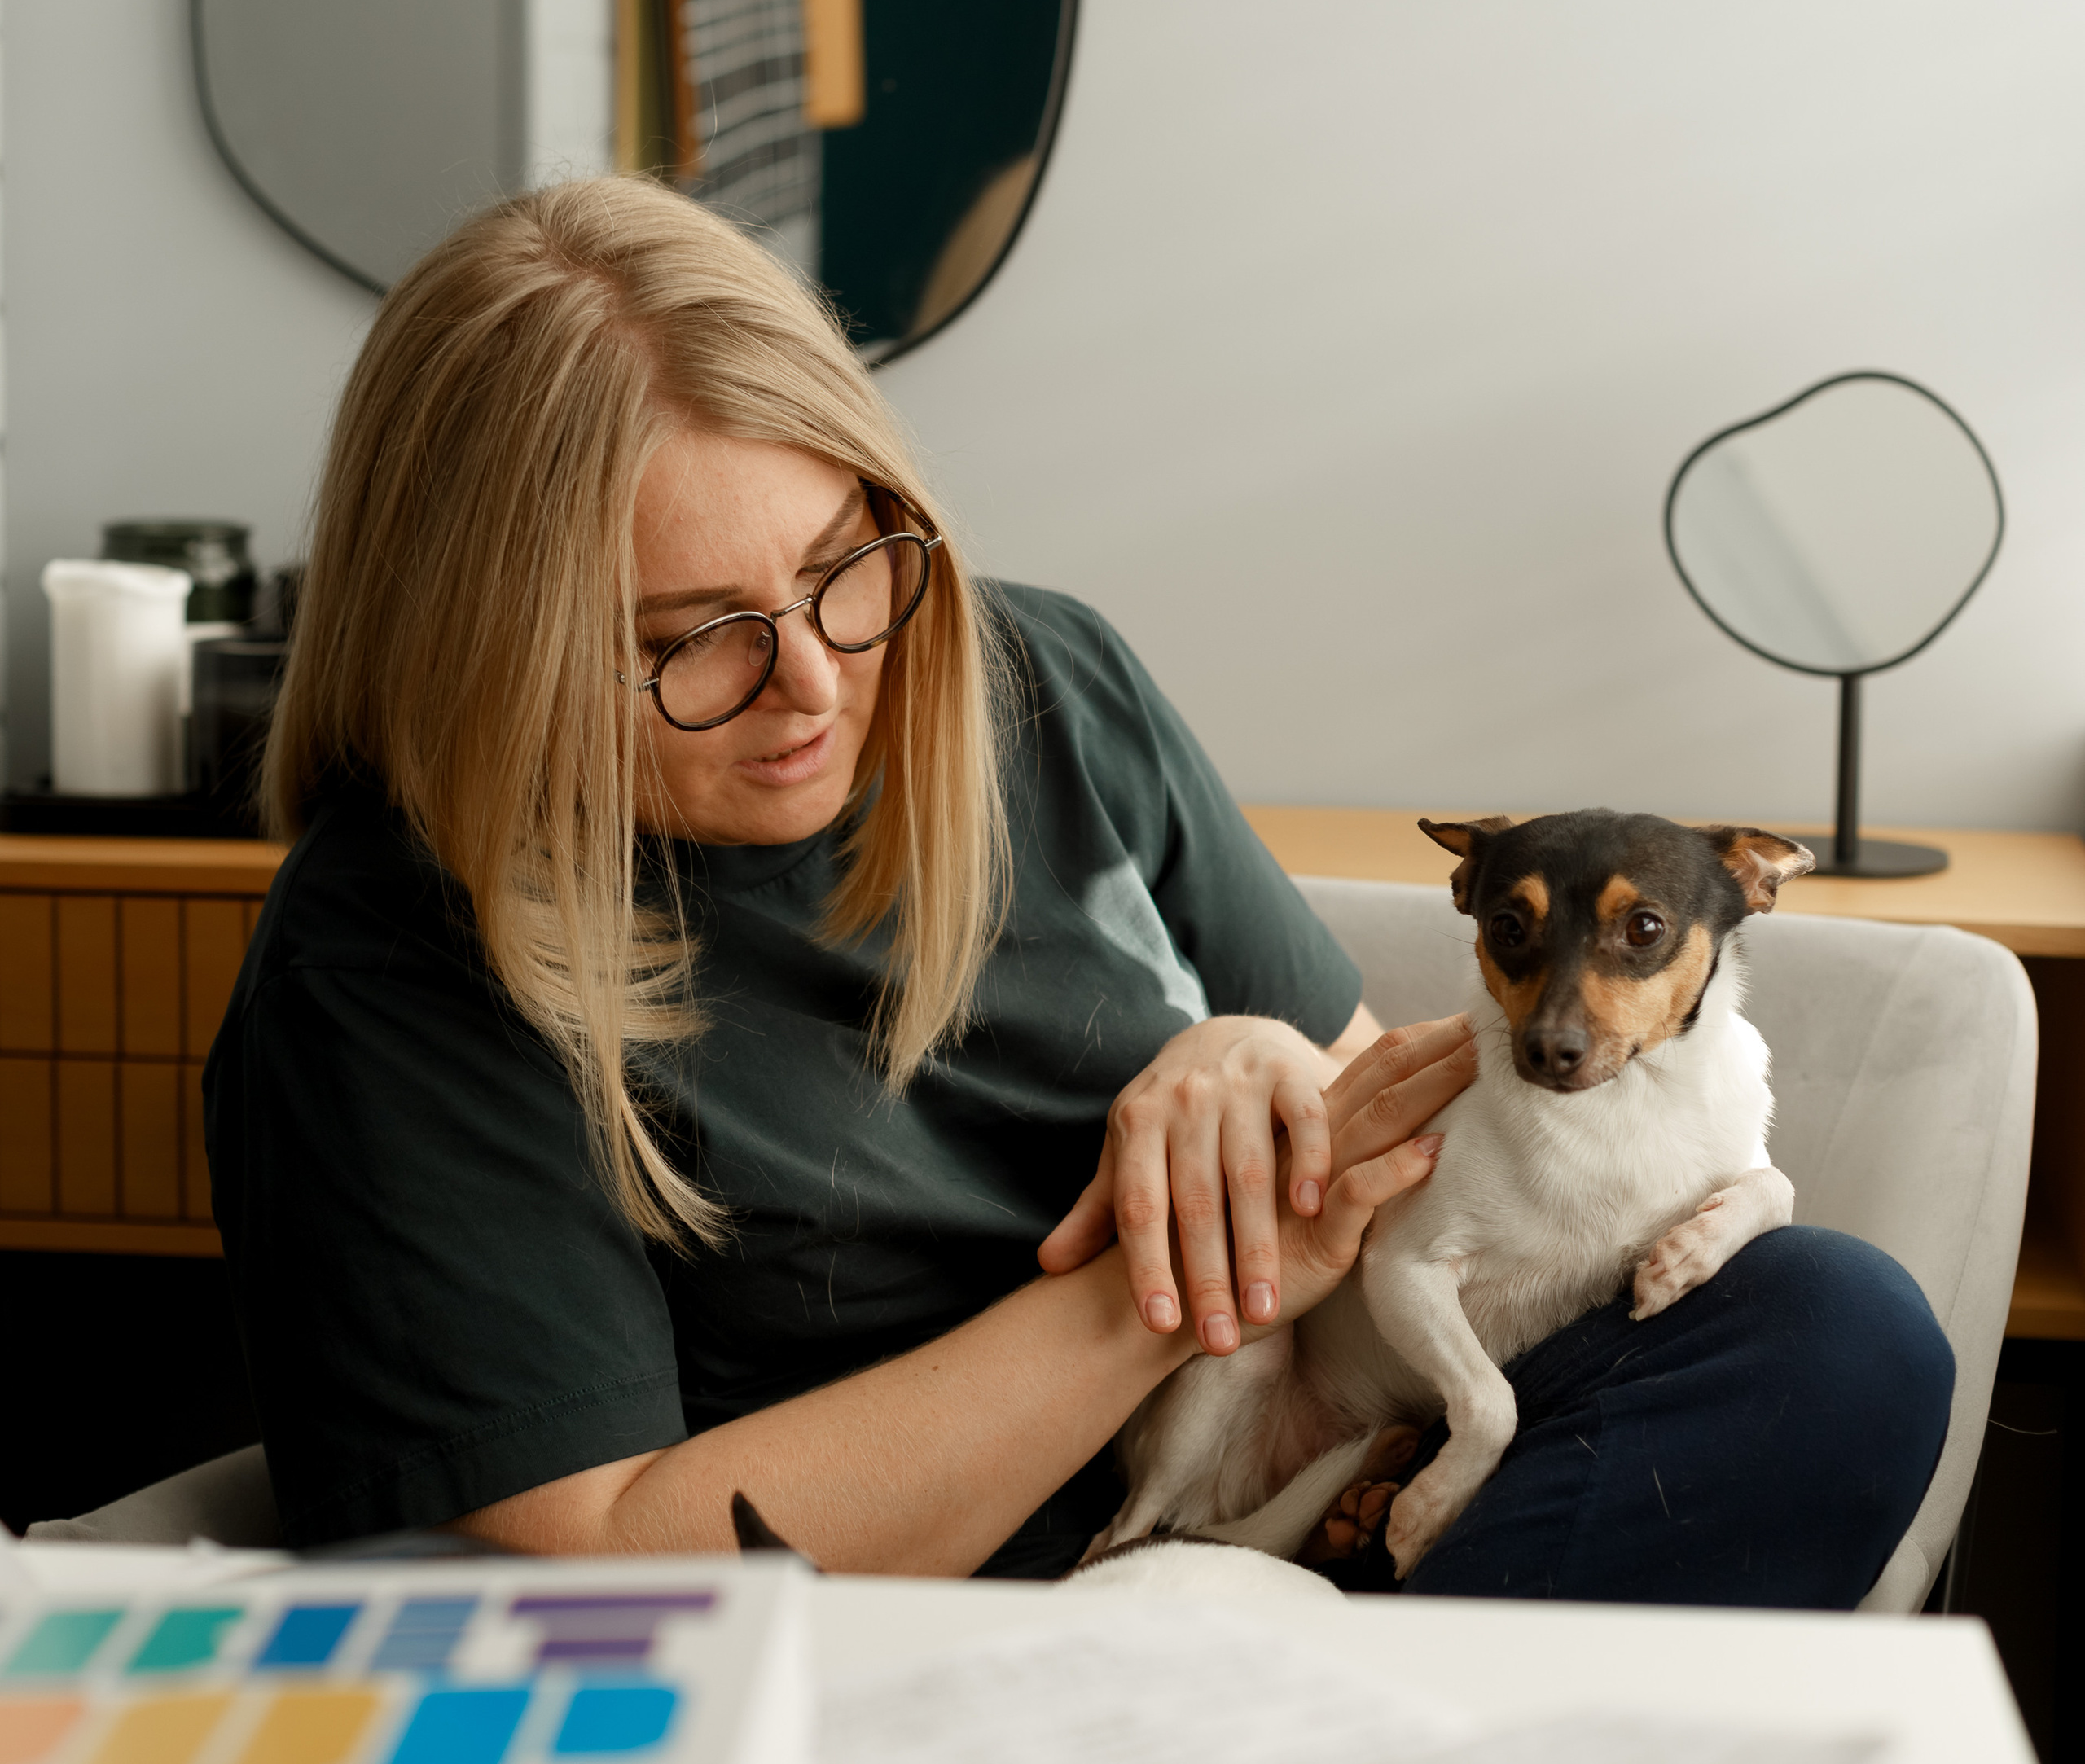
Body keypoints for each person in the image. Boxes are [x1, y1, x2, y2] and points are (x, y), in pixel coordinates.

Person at [206, 178, 1951, 1599]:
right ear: (484, 654)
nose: (816, 683)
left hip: (1290, 1484)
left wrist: (1259, 1067)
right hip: (936, 1615)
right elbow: (595, 1572)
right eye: (689, 645)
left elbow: (1388, 1157)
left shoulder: (1039, 685)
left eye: (844, 572)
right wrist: (1150, 1290)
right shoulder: (396, 961)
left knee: (1837, 1336)